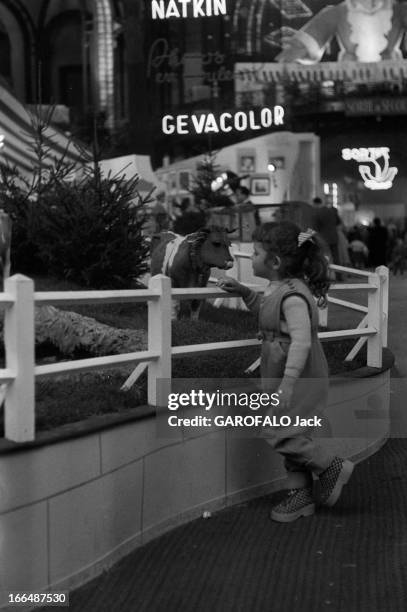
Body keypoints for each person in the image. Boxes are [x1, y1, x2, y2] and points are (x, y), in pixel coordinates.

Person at [218, 222, 354, 522]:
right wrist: (243, 293)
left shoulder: (293, 296)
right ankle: (300, 496)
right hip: (281, 372)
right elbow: (268, 316)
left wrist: (288, 385)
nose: (250, 258)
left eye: (255, 253)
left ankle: (331, 467)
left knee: (278, 430)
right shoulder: (277, 290)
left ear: (275, 262)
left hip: (299, 376)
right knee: (294, 432)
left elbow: (302, 341)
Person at [275, 0, 407, 64]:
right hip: (350, 84)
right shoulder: (336, 13)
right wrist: (301, 48)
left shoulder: (400, 10)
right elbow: (308, 44)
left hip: (394, 82)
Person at [311, 197, 341, 265]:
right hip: (334, 237)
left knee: (324, 257)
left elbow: (315, 227)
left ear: (315, 204)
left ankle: (326, 274)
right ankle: (339, 274)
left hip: (324, 238)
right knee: (336, 257)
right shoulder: (332, 211)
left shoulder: (317, 213)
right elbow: (338, 222)